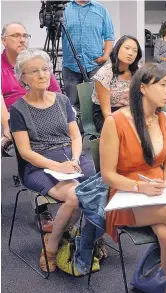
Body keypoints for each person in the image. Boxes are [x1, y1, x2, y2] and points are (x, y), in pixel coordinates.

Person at [9, 48, 95, 272]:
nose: (42, 74)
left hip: (71, 158)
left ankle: (75, 235)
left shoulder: (62, 100)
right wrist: (59, 166)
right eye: (34, 71)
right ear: (23, 78)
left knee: (95, 193)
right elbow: (26, 152)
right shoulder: (18, 109)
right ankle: (53, 244)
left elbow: (76, 135)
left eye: (45, 69)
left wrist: (75, 158)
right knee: (77, 197)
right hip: (39, 165)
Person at [100, 63, 166, 293]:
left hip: (158, 191)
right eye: (163, 85)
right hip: (126, 195)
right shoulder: (115, 122)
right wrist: (139, 187)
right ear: (143, 88)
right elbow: (108, 175)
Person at [1, 23, 61, 155]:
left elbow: (57, 95)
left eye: (25, 36)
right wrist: (7, 127)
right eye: (16, 36)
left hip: (44, 113)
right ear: (3, 40)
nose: (22, 40)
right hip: (16, 119)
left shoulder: (38, 63)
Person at [63, 0, 115, 108]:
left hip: (95, 65)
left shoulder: (101, 10)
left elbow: (109, 36)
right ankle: (75, 125)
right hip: (70, 65)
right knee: (71, 104)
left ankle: (96, 125)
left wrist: (105, 56)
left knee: (97, 103)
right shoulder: (65, 8)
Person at [91, 35, 142, 132]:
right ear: (117, 49)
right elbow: (106, 112)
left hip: (130, 112)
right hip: (107, 114)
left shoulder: (138, 71)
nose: (131, 53)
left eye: (135, 51)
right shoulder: (104, 73)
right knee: (127, 131)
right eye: (127, 48)